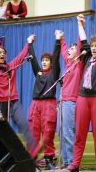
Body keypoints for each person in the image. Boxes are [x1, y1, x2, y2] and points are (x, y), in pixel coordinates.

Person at [63, 8, 96, 172]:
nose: (95, 48)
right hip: (83, 98)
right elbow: (83, 42)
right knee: (80, 133)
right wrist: (80, 24)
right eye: (93, 46)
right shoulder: (86, 57)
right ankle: (75, 163)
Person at [27, 31, 61, 170]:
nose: (44, 62)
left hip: (49, 104)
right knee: (34, 132)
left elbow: (57, 56)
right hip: (36, 104)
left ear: (51, 63)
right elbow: (33, 59)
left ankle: (48, 159)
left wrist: (57, 41)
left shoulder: (54, 73)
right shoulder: (39, 72)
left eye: (47, 60)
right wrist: (30, 44)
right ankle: (32, 159)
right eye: (43, 60)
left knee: (48, 132)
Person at [58, 17, 84, 169]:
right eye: (69, 49)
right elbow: (63, 49)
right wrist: (61, 39)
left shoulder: (78, 63)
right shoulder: (68, 63)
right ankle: (65, 160)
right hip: (62, 101)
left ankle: (71, 162)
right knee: (61, 133)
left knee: (68, 133)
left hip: (71, 101)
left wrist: (79, 24)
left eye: (72, 49)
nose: (69, 50)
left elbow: (80, 45)